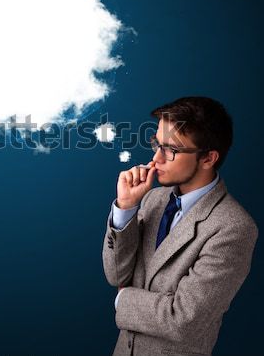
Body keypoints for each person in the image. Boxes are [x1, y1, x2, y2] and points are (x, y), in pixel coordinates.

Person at [102, 96, 258, 356]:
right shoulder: (152, 199)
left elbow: (184, 320)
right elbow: (116, 275)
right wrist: (126, 208)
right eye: (156, 144)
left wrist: (123, 299)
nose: (155, 158)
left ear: (208, 158)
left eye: (170, 150)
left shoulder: (234, 228)